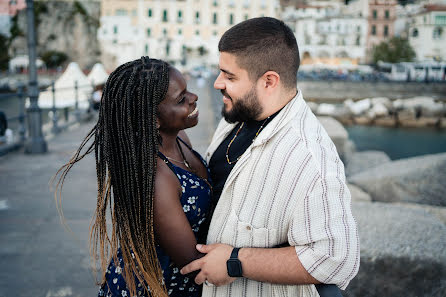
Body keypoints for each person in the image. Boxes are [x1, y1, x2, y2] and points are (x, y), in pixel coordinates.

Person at [180, 17, 360, 296]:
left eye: (230, 76)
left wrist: (235, 262)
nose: (217, 84)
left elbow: (336, 259)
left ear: (269, 81)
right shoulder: (238, 112)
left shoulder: (310, 157)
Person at [54, 57, 214, 297]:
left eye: (188, 90)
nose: (194, 98)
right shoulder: (158, 179)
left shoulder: (180, 139)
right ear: (153, 119)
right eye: (181, 99)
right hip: (153, 288)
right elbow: (193, 265)